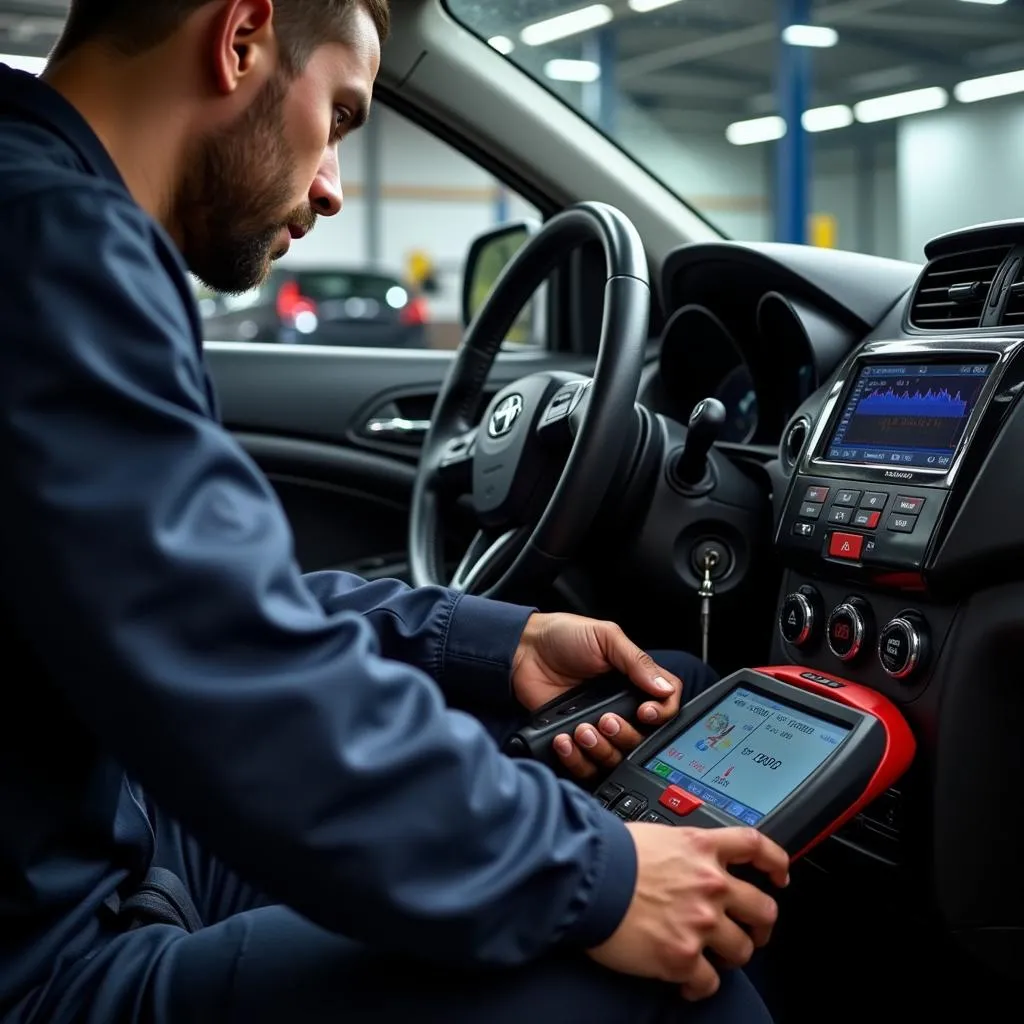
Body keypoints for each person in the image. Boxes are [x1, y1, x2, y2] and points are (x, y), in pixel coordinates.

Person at [0, 2, 789, 1022]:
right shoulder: (52, 247)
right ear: (240, 35)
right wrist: (599, 879)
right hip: (50, 969)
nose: (330, 185)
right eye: (337, 117)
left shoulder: (44, 212)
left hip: (111, 827)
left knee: (658, 695)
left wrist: (490, 644)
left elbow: (200, 610)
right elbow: (238, 677)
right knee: (691, 991)